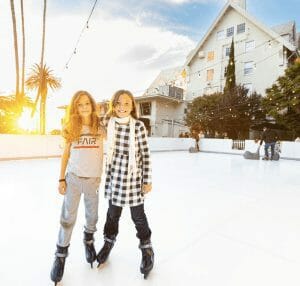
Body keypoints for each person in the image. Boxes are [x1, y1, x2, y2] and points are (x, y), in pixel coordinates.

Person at [96, 89, 154, 279]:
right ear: (113, 105)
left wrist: (147, 180)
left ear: (132, 106)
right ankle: (108, 243)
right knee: (112, 215)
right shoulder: (108, 123)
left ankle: (147, 249)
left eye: (127, 103)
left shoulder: (138, 126)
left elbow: (145, 155)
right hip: (114, 176)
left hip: (133, 177)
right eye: (118, 103)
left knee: (138, 217)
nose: (122, 107)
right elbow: (97, 120)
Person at [50, 91, 105, 285]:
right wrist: (61, 179)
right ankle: (60, 255)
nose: (83, 107)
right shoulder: (71, 128)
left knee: (92, 217)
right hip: (73, 179)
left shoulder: (101, 127)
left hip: (92, 182)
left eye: (87, 104)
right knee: (67, 219)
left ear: (92, 105)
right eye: (80, 105)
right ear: (75, 107)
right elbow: (65, 155)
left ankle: (88, 240)